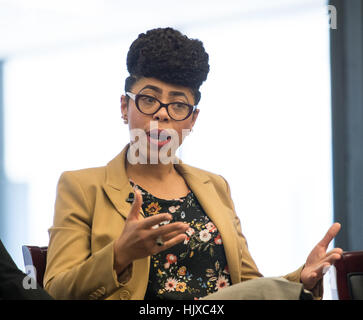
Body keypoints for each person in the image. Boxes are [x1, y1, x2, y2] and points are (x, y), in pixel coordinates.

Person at [43, 27, 342, 300]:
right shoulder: (81, 186)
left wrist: (299, 280)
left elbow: (248, 284)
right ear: (125, 107)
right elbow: (55, 291)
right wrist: (119, 255)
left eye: (177, 105)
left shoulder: (214, 186)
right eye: (149, 100)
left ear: (192, 119)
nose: (161, 115)